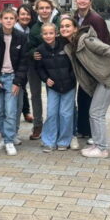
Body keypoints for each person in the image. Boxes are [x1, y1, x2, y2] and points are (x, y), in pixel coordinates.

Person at [60, 16, 110, 158]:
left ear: (75, 28)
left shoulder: (85, 40)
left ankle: (102, 149)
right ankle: (97, 144)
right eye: (62, 27)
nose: (64, 29)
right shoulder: (70, 46)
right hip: (101, 81)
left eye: (68, 26)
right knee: (95, 112)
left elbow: (106, 50)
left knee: (97, 113)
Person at [0, 7, 29, 156]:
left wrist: (18, 82)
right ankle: (4, 136)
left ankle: (9, 140)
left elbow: (23, 61)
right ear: (0, 20)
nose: (9, 21)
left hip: (12, 78)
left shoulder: (21, 37)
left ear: (16, 20)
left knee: (10, 111)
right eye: (6, 18)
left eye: (12, 18)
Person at [72, 0, 110, 144]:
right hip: (81, 62)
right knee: (82, 95)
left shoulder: (96, 19)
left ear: (90, 2)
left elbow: (103, 42)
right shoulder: (76, 17)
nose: (82, 1)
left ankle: (90, 132)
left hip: (93, 63)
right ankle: (82, 129)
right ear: (76, 1)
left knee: (91, 96)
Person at [34, 22, 78, 152]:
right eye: (45, 34)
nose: (48, 36)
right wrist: (45, 79)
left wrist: (71, 78)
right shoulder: (40, 50)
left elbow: (73, 64)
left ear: (56, 33)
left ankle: (64, 140)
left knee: (66, 114)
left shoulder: (65, 45)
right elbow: (39, 68)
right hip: (53, 87)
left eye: (51, 33)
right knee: (52, 113)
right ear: (42, 35)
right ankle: (49, 141)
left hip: (69, 86)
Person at [26, 0, 61, 140]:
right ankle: (38, 125)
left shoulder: (59, 22)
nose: (44, 10)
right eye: (41, 8)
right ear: (37, 10)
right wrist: (33, 53)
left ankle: (55, 125)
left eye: (47, 7)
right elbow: (29, 47)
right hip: (36, 66)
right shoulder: (34, 27)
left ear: (51, 9)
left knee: (54, 94)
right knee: (35, 94)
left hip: (54, 67)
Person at [15, 4, 35, 125]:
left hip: (25, 66)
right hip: (14, 68)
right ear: (17, 16)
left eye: (28, 14)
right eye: (22, 14)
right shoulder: (13, 28)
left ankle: (25, 111)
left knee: (22, 90)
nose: (25, 16)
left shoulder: (29, 30)